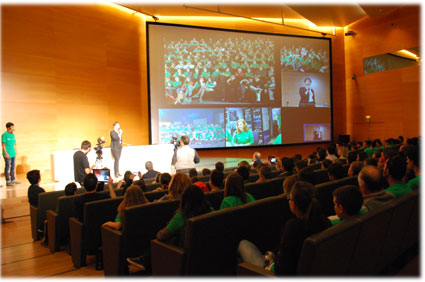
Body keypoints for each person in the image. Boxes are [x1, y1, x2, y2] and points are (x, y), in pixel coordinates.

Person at [238, 181, 330, 275]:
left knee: (243, 244)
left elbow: (281, 269)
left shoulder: (294, 226)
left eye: (289, 198)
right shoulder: (325, 222)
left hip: (272, 274)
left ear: (293, 204)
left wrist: (272, 262)